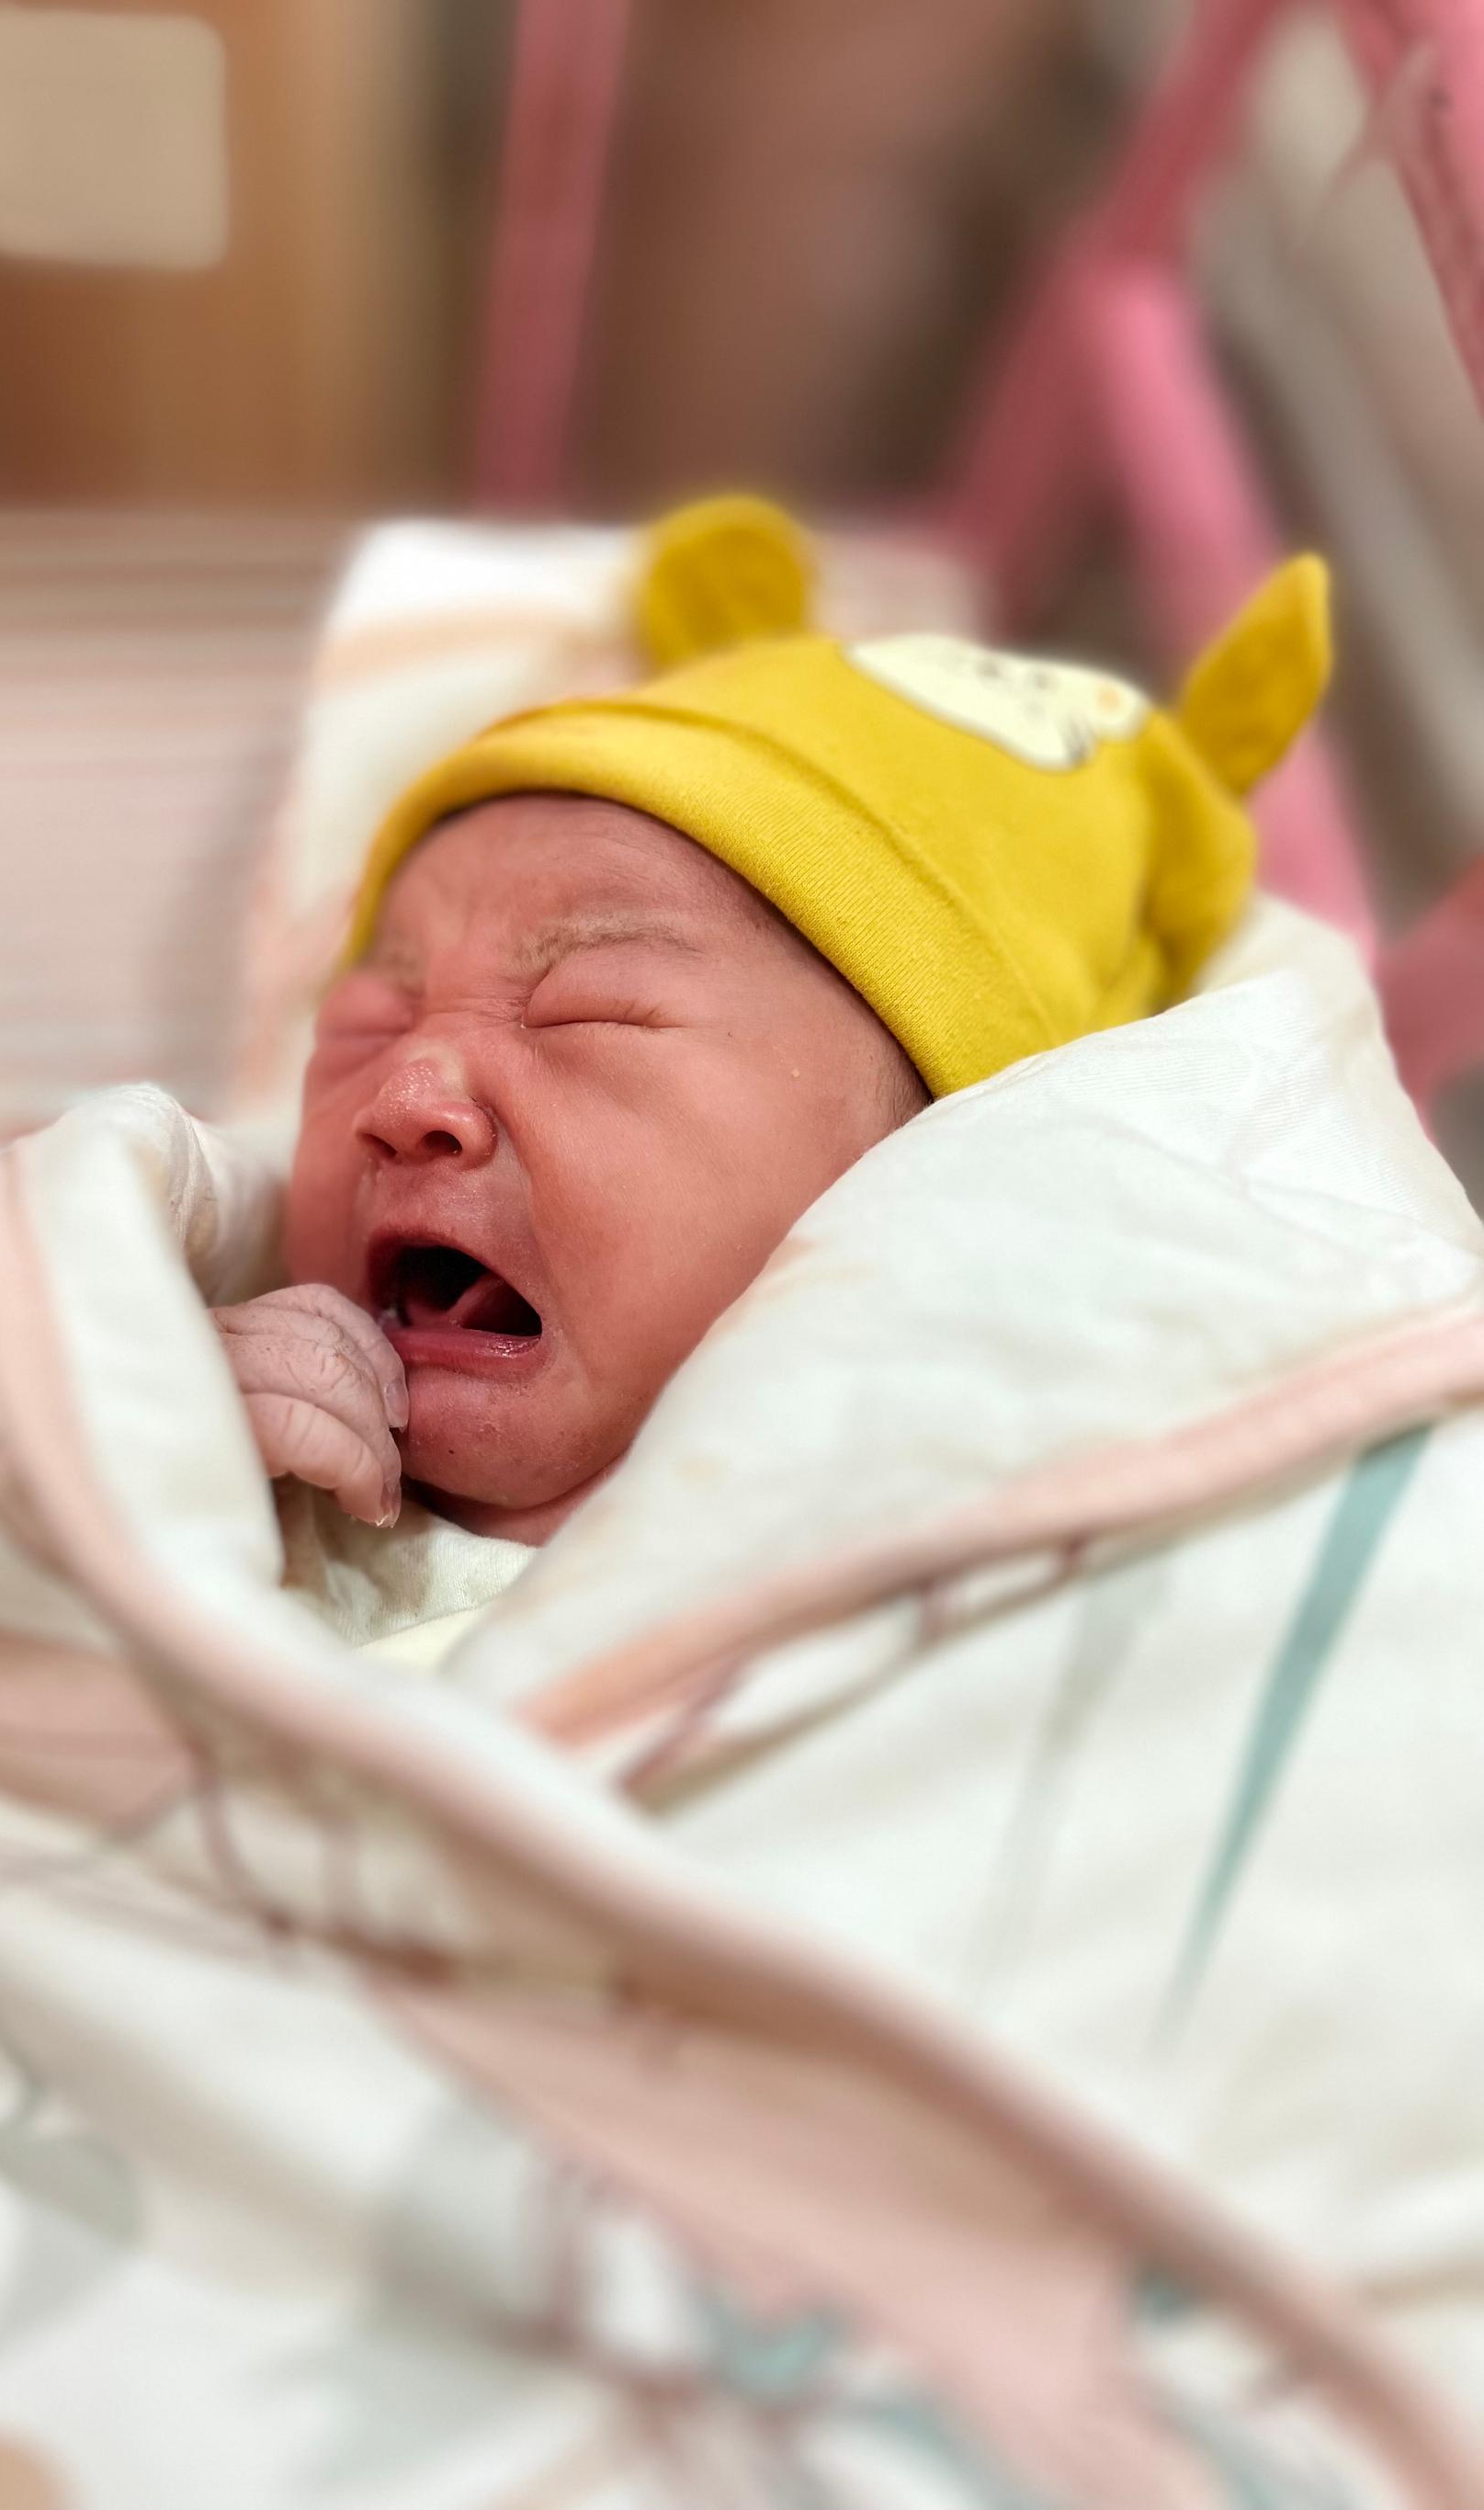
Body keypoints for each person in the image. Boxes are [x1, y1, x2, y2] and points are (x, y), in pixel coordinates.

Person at [209, 501, 1331, 1664]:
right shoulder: (233, 1442)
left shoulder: (1001, 1501)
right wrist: (160, 1433)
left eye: (581, 1008)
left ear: (916, 1164)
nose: (406, 1095)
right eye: (365, 1021)